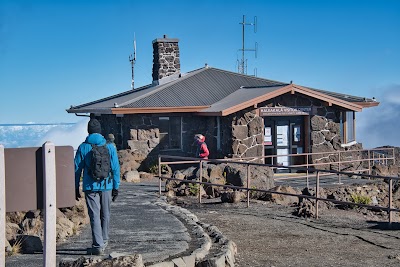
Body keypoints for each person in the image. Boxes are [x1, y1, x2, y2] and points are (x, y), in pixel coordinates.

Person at [74, 118, 120, 256]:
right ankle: (104, 240)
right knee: (105, 213)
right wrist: (116, 187)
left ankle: (98, 245)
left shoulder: (83, 147)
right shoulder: (110, 146)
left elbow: (76, 169)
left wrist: (75, 187)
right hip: (107, 185)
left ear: (88, 131)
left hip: (90, 186)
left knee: (94, 215)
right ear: (100, 131)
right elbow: (116, 168)